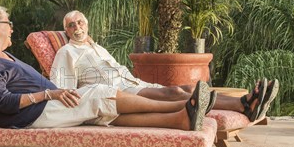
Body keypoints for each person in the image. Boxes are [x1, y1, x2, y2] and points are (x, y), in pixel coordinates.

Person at [0, 4, 212, 131]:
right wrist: (49, 93)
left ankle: (180, 118)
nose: (11, 28)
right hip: (32, 115)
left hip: (47, 106)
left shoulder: (2, 55)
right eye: (8, 23)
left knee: (103, 107)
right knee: (97, 92)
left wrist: (52, 94)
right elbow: (4, 102)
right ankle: (183, 106)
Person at [51, 10, 279, 122]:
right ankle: (244, 105)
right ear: (67, 30)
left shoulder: (97, 47)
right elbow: (62, 89)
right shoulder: (66, 52)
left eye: (79, 22)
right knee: (175, 92)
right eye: (71, 25)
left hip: (133, 83)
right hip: (116, 93)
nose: (76, 27)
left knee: (190, 89)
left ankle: (245, 103)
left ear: (87, 24)